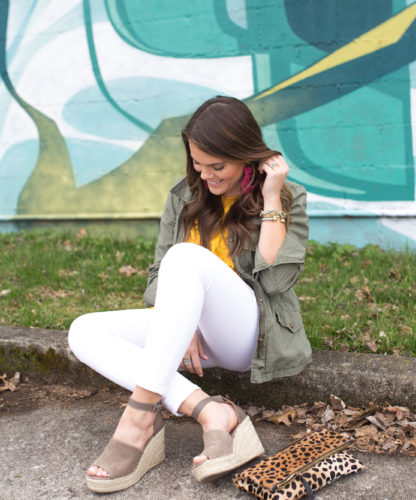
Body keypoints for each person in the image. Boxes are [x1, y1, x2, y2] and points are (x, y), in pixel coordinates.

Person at [68, 96, 312, 493]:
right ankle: (212, 411)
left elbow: (276, 281)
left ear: (247, 156)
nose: (207, 176)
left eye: (218, 167)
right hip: (191, 340)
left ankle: (138, 419)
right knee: (84, 331)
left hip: (248, 334)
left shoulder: (286, 195)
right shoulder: (184, 194)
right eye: (198, 164)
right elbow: (156, 274)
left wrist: (271, 198)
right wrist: (181, 320)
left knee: (184, 257)